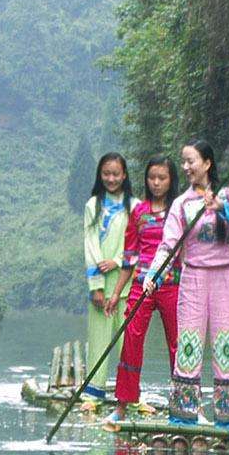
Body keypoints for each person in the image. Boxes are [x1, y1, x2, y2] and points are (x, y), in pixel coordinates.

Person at [142, 141, 229, 428]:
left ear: (207, 163)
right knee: (189, 345)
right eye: (184, 162)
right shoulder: (181, 204)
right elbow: (167, 247)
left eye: (191, 161)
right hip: (193, 278)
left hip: (226, 277)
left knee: (226, 345)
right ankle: (183, 417)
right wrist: (151, 277)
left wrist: (221, 207)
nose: (186, 167)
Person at [105, 157, 180, 421]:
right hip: (141, 284)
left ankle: (185, 405)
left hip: (172, 284)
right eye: (152, 178)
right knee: (131, 340)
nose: (156, 183)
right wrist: (116, 293)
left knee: (178, 345)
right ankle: (122, 404)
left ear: (171, 181)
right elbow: (129, 257)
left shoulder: (179, 211)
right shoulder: (139, 212)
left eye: (162, 178)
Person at [80, 152, 132, 397]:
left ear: (124, 175)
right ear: (100, 176)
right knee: (98, 341)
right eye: (106, 174)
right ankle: (94, 392)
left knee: (128, 344)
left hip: (127, 286)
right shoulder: (93, 206)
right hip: (101, 288)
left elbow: (138, 244)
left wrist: (117, 261)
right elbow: (90, 247)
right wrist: (96, 286)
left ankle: (129, 394)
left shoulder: (135, 206)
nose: (111, 178)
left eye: (116, 174)